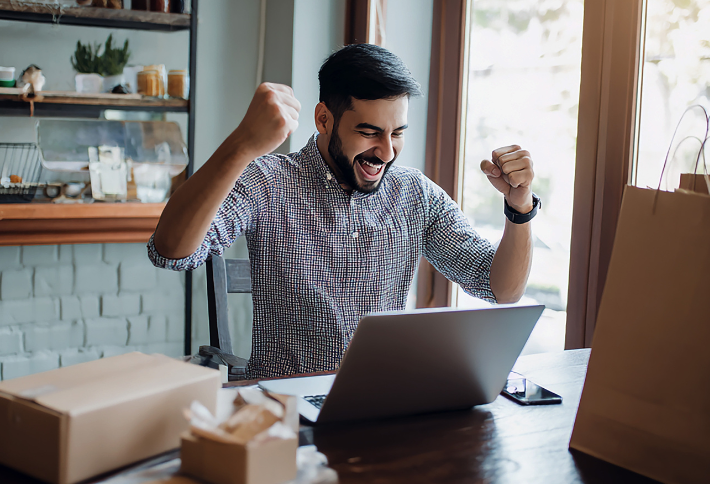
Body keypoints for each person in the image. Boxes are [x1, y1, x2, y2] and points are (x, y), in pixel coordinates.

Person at [149, 44, 536, 378]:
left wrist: (519, 207)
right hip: (288, 412)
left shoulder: (414, 193)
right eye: (369, 132)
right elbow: (169, 252)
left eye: (397, 133)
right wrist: (242, 145)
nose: (386, 152)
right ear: (324, 120)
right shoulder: (268, 181)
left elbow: (501, 289)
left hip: (382, 407)